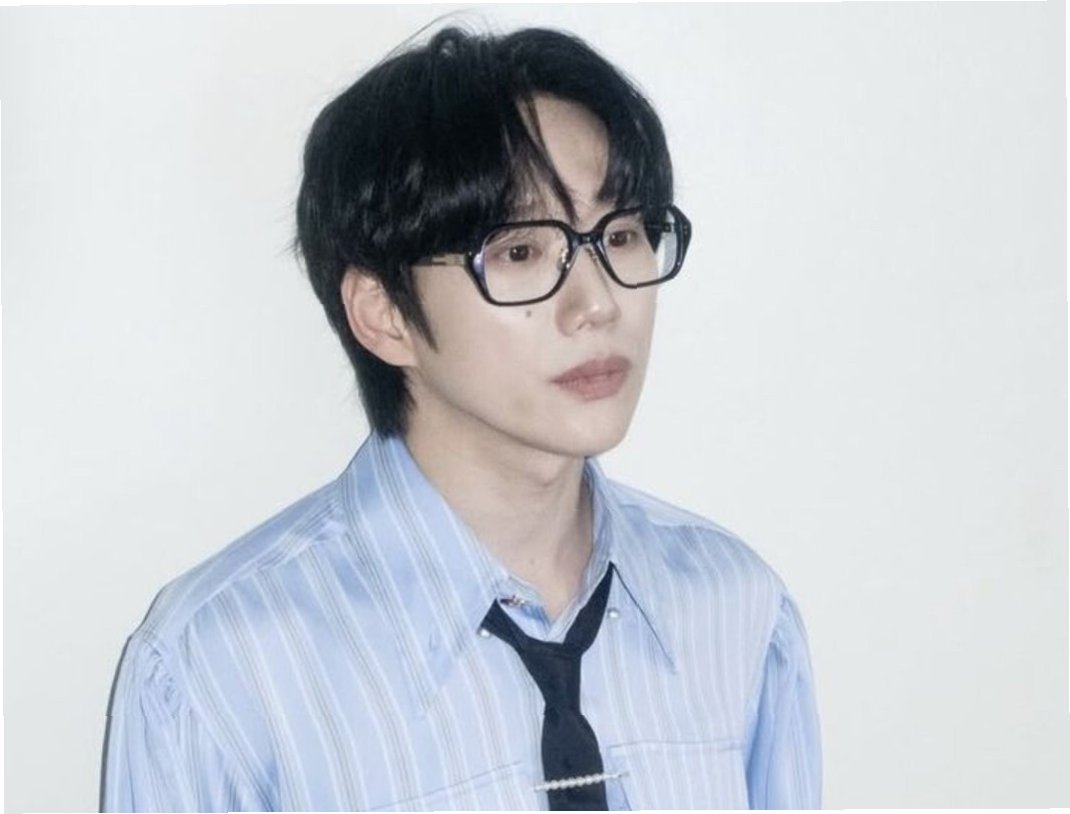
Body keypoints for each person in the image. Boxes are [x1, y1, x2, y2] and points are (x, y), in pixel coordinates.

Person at [102, 24, 821, 812]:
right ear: (384, 314)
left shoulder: (738, 613)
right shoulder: (221, 674)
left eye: (620, 236)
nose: (598, 303)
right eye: (520, 251)